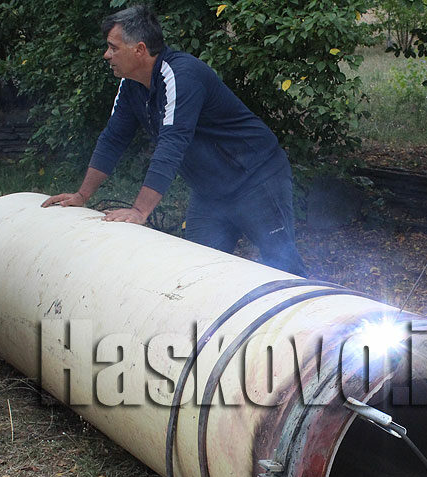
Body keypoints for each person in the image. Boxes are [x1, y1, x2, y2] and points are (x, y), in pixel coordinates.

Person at [43, 4, 307, 277]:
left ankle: (312, 303)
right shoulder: (131, 84)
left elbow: (172, 144)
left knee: (282, 264)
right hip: (209, 192)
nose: (106, 54)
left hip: (256, 180)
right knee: (197, 272)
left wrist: (139, 211)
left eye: (113, 47)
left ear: (139, 49)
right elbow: (113, 138)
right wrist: (82, 195)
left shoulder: (181, 75)